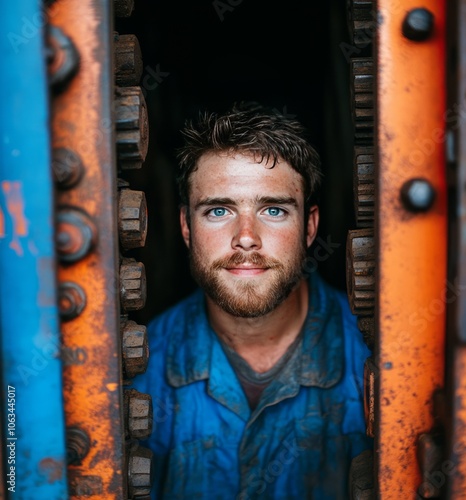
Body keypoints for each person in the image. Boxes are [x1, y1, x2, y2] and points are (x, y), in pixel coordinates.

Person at [133, 102, 373, 499]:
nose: (246, 236)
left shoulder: (373, 356)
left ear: (309, 227)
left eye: (274, 209)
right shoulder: (139, 370)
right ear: (186, 227)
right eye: (219, 210)